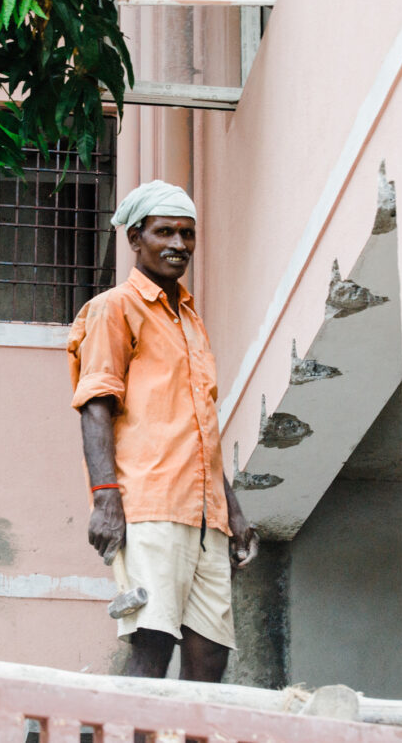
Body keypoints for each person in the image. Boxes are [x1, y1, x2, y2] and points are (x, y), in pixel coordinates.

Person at [67, 180, 258, 682]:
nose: (179, 244)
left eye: (188, 234)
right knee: (153, 643)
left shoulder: (191, 320)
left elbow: (202, 431)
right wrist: (105, 498)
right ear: (135, 238)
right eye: (165, 232)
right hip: (149, 504)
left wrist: (233, 512)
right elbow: (96, 407)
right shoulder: (114, 307)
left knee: (212, 655)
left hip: (205, 517)